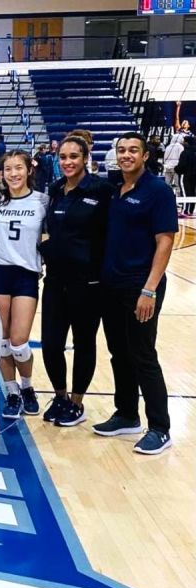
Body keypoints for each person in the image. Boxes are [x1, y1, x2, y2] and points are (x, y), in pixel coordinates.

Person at [95, 132, 178, 455]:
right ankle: (127, 414)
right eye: (122, 150)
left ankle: (160, 427)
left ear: (145, 155)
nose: (126, 155)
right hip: (112, 284)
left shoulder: (157, 190)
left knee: (143, 355)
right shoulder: (117, 190)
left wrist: (149, 288)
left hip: (140, 286)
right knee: (119, 353)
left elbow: (166, 240)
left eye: (133, 150)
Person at [39, 135, 113, 426]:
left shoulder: (102, 190)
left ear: (85, 158)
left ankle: (77, 402)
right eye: (63, 157)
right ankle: (59, 396)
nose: (68, 162)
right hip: (56, 281)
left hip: (88, 283)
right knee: (51, 344)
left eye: (74, 157)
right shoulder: (56, 189)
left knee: (84, 343)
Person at [0, 150, 48, 418]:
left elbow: (48, 236)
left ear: (28, 170)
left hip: (26, 273)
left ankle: (27, 387)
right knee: (2, 341)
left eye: (18, 168)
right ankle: (11, 392)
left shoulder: (42, 201)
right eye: (8, 169)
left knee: (20, 342)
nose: (13, 174)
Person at [175, 135, 196, 217]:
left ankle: (185, 210)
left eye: (184, 141)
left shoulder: (185, 152)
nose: (183, 143)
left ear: (187, 142)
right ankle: (190, 210)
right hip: (194, 175)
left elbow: (181, 165)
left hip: (186, 175)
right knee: (193, 192)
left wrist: (176, 169)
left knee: (185, 192)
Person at [163, 134, 185, 201]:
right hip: (176, 167)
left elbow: (165, 157)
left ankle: (166, 199)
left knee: (167, 184)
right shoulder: (180, 147)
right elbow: (181, 158)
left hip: (167, 167)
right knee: (177, 185)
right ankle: (179, 200)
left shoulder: (168, 146)